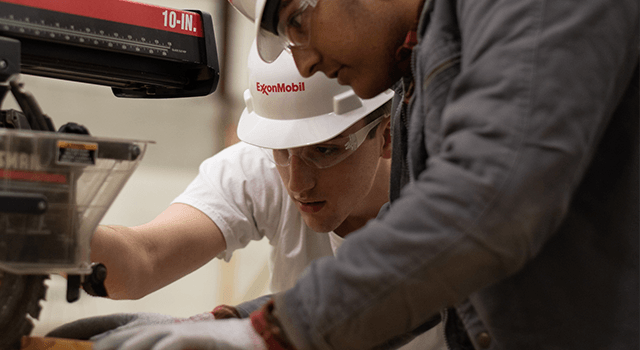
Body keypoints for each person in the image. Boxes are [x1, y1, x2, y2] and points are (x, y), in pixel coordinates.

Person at [94, 0, 639, 348]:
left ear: (381, 135)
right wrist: (231, 323)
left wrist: (268, 334)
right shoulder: (432, 62)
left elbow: (489, 203)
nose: (302, 62)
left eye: (298, 25)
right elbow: (427, 282)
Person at [51, 42, 449, 348]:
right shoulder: (258, 167)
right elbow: (144, 258)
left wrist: (230, 326)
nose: (298, 182)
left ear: (386, 134)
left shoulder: (446, 196)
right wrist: (51, 230)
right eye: (281, 151)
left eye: (325, 150)